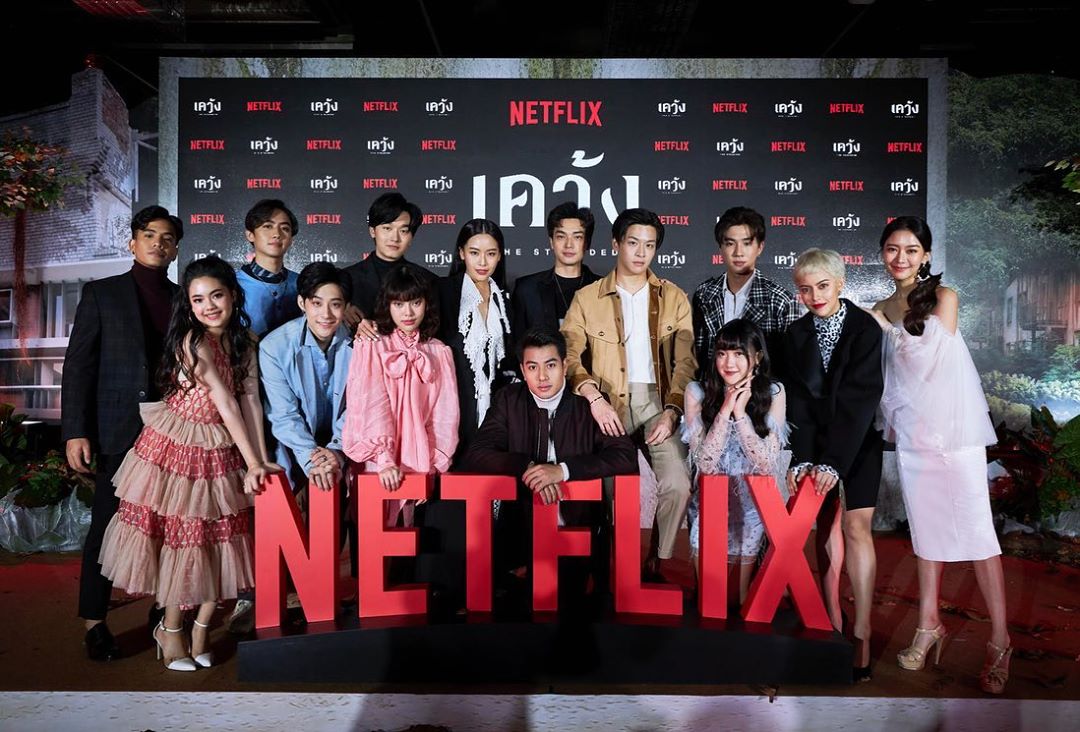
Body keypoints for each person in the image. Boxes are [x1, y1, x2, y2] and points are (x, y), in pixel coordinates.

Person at [97, 255, 281, 672]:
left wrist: (259, 461)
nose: (209, 306)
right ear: (189, 305)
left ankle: (200, 630)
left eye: (216, 295)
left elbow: (250, 400)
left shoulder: (245, 340)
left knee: (223, 540)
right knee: (185, 541)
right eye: (198, 300)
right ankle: (170, 629)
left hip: (221, 448)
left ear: (232, 295)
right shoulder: (192, 341)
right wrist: (252, 461)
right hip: (178, 447)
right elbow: (225, 401)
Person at [871, 217, 1010, 694]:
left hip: (954, 434)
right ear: (883, 254)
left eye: (911, 250)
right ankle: (928, 625)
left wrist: (884, 330)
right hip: (913, 437)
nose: (901, 258)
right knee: (926, 534)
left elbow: (930, 364)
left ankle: (1000, 640)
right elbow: (887, 377)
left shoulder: (944, 298)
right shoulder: (880, 307)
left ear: (926, 255)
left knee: (979, 535)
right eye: (892, 249)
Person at [62, 205, 183, 661]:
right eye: (149, 234)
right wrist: (76, 430)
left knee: (170, 524)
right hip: (117, 427)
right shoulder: (102, 293)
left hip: (173, 429)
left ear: (175, 249)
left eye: (167, 237)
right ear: (132, 243)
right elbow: (79, 365)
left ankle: (163, 609)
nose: (157, 243)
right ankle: (95, 622)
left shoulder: (183, 299)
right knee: (106, 525)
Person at [562, 207, 696, 582]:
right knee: (608, 496)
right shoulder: (587, 298)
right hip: (607, 402)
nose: (641, 252)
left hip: (657, 403)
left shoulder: (674, 297)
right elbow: (569, 355)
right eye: (633, 243)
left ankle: (657, 560)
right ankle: (611, 573)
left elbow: (686, 362)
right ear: (616, 244)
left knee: (678, 484)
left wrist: (672, 410)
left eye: (649, 245)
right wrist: (593, 397)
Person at [462, 328, 638, 605]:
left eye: (551, 365)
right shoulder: (509, 399)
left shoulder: (587, 405)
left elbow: (625, 456)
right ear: (523, 370)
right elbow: (477, 453)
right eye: (533, 367)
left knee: (575, 610)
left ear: (565, 366)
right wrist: (528, 467)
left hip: (579, 535)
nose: (542, 376)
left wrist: (562, 471)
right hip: (522, 540)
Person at [780, 248, 883, 683]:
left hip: (858, 441)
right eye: (805, 289)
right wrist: (804, 456)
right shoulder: (794, 333)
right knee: (822, 528)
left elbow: (861, 399)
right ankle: (831, 622)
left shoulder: (865, 328)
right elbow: (799, 404)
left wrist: (835, 462)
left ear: (840, 283)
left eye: (822, 286)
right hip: (815, 445)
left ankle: (862, 631)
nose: (814, 296)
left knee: (856, 528)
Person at [425, 218, 516, 614]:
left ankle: (488, 576)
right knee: (450, 495)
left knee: (492, 494)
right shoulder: (442, 292)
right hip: (451, 410)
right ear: (461, 253)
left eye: (491, 253)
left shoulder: (504, 298)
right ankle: (447, 584)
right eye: (475, 252)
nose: (483, 261)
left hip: (495, 413)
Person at [342, 264, 459, 529]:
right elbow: (368, 404)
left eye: (416, 303)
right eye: (399, 304)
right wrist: (384, 459)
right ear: (388, 305)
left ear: (426, 304)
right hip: (377, 463)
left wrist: (434, 465)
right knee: (371, 538)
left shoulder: (439, 352)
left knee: (412, 541)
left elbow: (445, 415)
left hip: (420, 463)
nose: (408, 313)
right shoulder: (371, 344)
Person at [683, 320, 788, 605]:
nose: (728, 363)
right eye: (722, 353)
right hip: (708, 507)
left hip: (752, 507)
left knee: (741, 602)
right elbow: (705, 463)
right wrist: (726, 408)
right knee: (710, 601)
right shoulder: (697, 391)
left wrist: (741, 415)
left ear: (757, 357)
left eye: (739, 354)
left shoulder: (774, 393)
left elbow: (766, 463)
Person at [260, 262, 353, 509]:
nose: (326, 314)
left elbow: (359, 408)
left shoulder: (360, 343)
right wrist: (314, 461)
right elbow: (284, 414)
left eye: (335, 304)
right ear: (302, 303)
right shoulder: (274, 347)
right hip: (294, 449)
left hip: (347, 447)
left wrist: (336, 452)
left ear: (346, 307)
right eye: (317, 303)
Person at [692, 206, 799, 380]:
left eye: (747, 243)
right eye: (730, 243)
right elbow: (699, 357)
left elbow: (790, 367)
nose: (738, 252)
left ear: (760, 247)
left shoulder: (780, 300)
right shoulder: (704, 294)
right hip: (712, 393)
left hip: (762, 393)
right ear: (720, 248)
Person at [342, 192, 438, 336]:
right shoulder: (346, 279)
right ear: (372, 231)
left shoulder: (428, 280)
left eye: (403, 231)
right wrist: (340, 310)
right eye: (387, 228)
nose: (395, 238)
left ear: (411, 237)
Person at [511, 201, 601, 337]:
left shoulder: (604, 290)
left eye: (577, 237)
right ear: (551, 242)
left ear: (587, 243)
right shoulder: (527, 289)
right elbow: (517, 344)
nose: (569, 244)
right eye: (561, 236)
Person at [236, 199, 302, 337]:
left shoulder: (302, 283)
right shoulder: (234, 284)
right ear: (250, 235)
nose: (277, 234)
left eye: (285, 228)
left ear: (291, 240)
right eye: (267, 226)